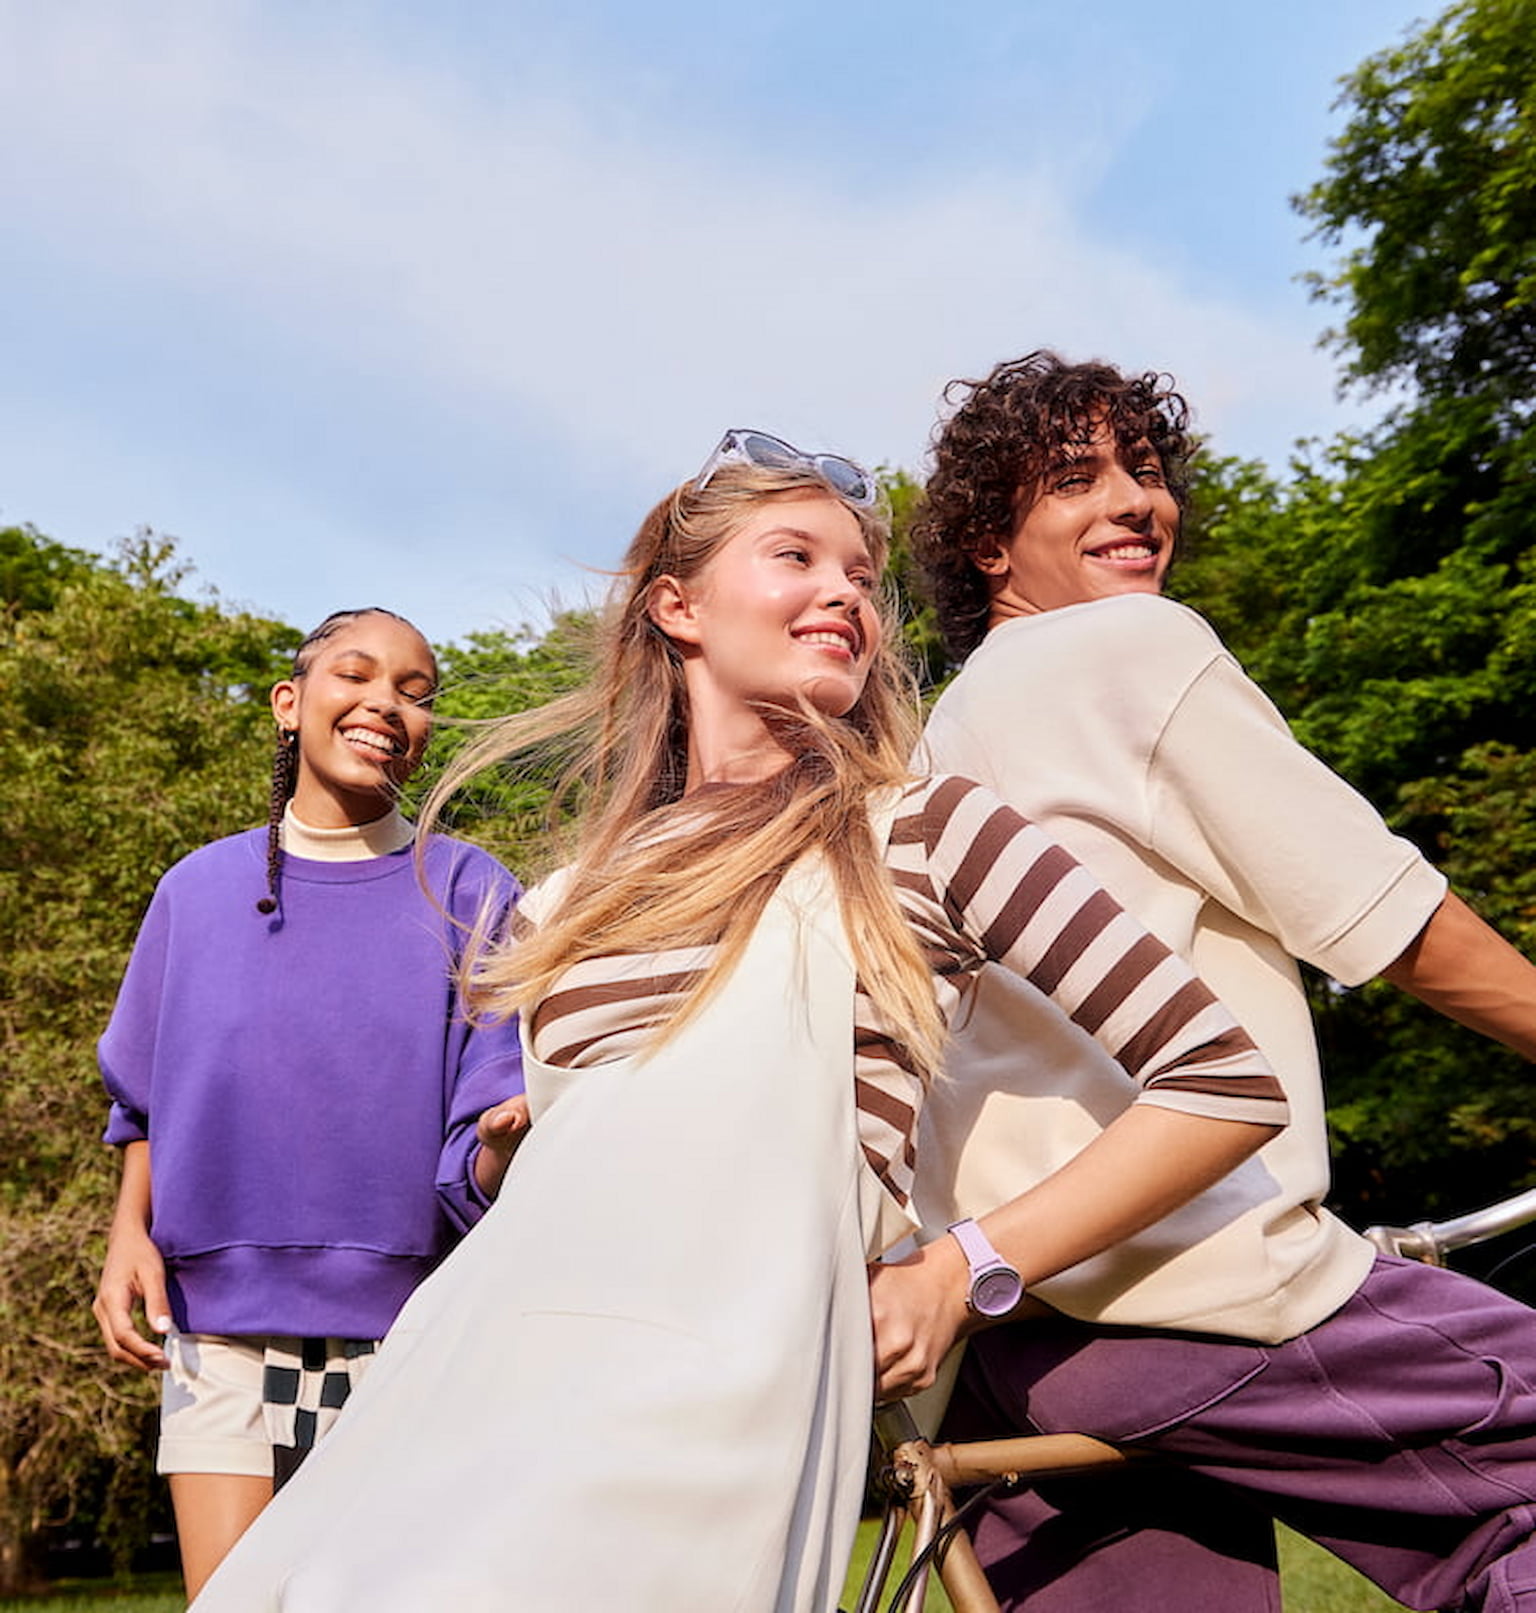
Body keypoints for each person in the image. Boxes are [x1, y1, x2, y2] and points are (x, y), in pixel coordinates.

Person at [189, 430, 1285, 1612]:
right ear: (679, 606)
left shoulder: (922, 829)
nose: (845, 593)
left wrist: (963, 1271)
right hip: (471, 1367)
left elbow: (1223, 1079)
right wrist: (515, 1152)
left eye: (863, 576)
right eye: (797, 556)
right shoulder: (562, 906)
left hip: (727, 1389)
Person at [894, 349, 1536, 1613]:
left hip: (1020, 1336)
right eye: (1074, 479)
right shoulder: (1125, 647)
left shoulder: (941, 736)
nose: (1135, 500)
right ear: (987, 543)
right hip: (1200, 1285)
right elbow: (1388, 913)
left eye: (1146, 470)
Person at [92, 606, 528, 1602]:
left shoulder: (473, 891)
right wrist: (129, 1230)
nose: (387, 703)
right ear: (291, 702)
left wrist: (508, 1142)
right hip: (215, 1330)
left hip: (408, 1334)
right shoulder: (195, 891)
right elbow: (144, 1098)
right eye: (360, 675)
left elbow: (486, 1135)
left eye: (417, 693)